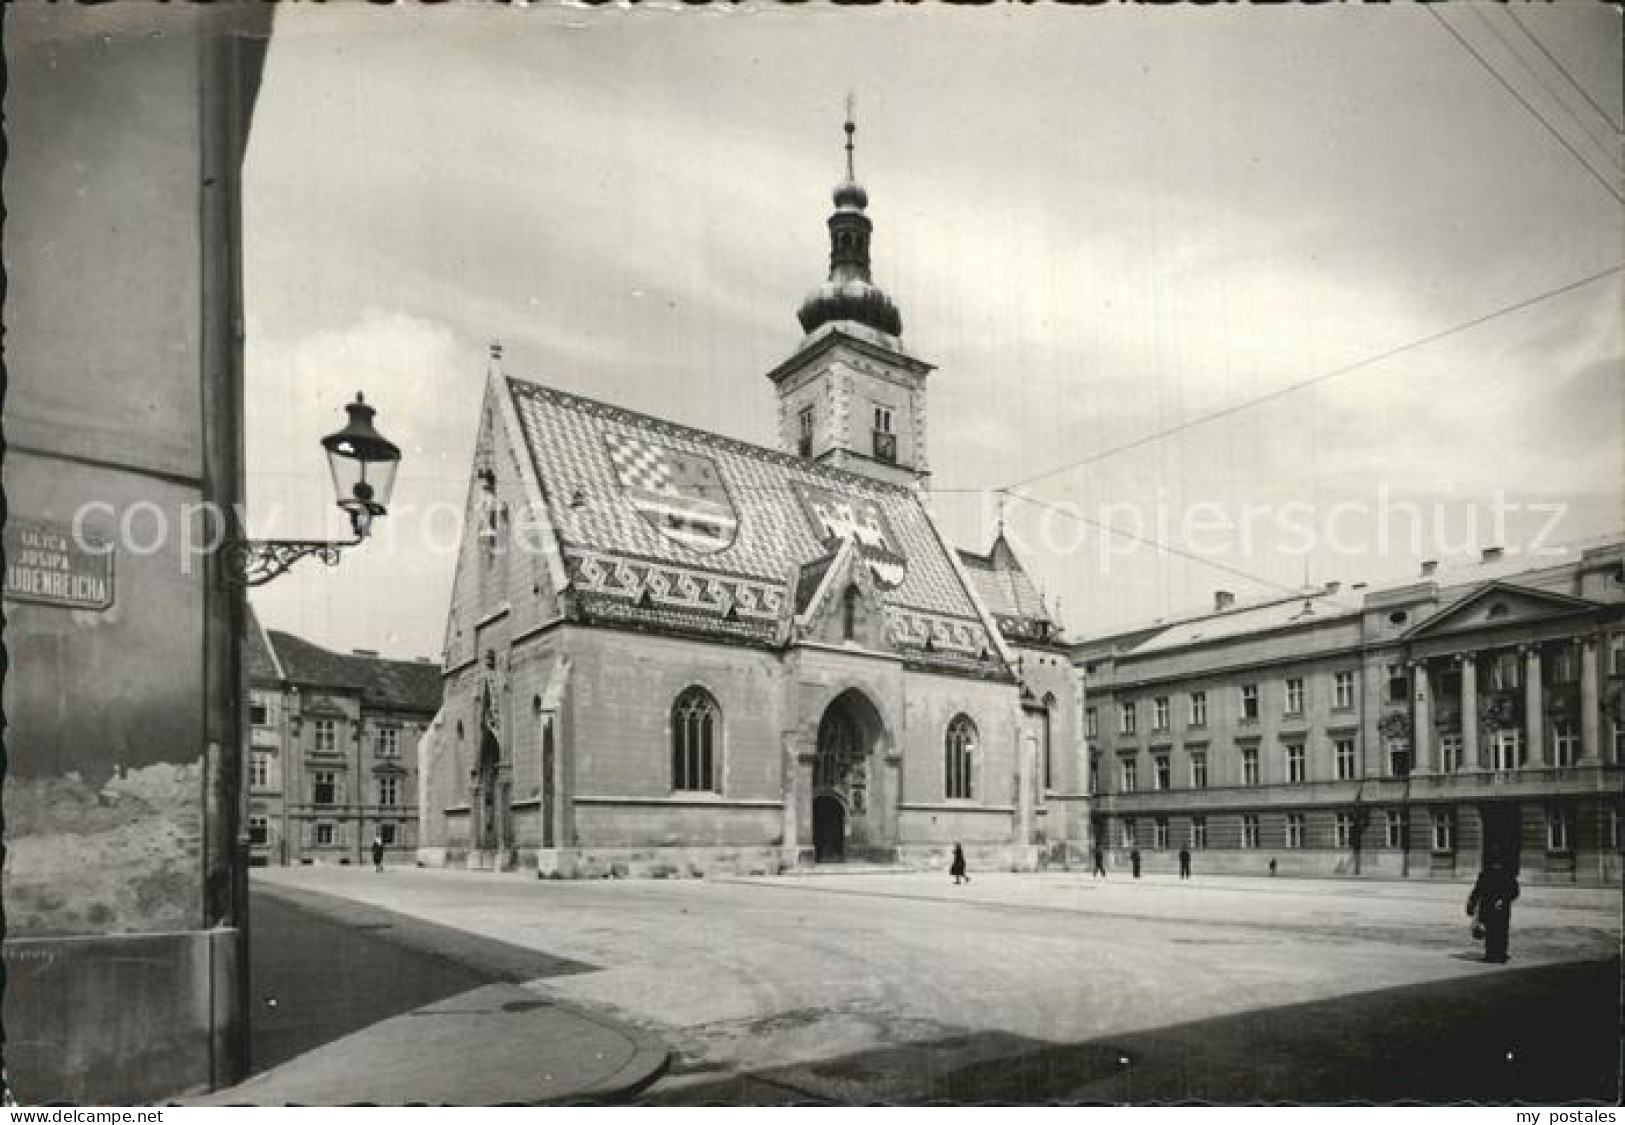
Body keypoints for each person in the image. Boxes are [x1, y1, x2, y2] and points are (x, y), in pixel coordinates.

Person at [1466, 856, 1520, 963]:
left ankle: (1500, 954)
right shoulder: (1486, 874)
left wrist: (1504, 900)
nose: (1496, 865)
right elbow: (1477, 890)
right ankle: (1491, 954)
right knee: (1491, 931)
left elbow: (1514, 891)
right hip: (1489, 907)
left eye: (1498, 863)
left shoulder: (1507, 875)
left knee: (1500, 931)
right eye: (1494, 863)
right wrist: (1471, 902)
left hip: (1500, 908)